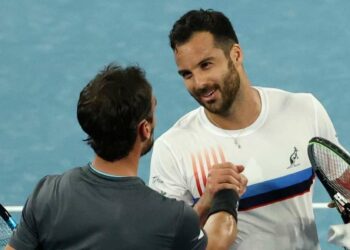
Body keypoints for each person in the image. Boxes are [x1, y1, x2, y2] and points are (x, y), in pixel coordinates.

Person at [149, 9, 339, 250]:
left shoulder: (305, 112)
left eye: (206, 65)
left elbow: (344, 185)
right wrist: (206, 203)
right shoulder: (173, 148)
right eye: (187, 74)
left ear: (236, 55)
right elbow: (165, 243)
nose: (198, 83)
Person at [6, 63, 228, 250]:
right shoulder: (172, 218)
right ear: (145, 129)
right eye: (154, 110)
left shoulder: (47, 195)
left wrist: (202, 206)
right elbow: (215, 242)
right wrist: (225, 197)